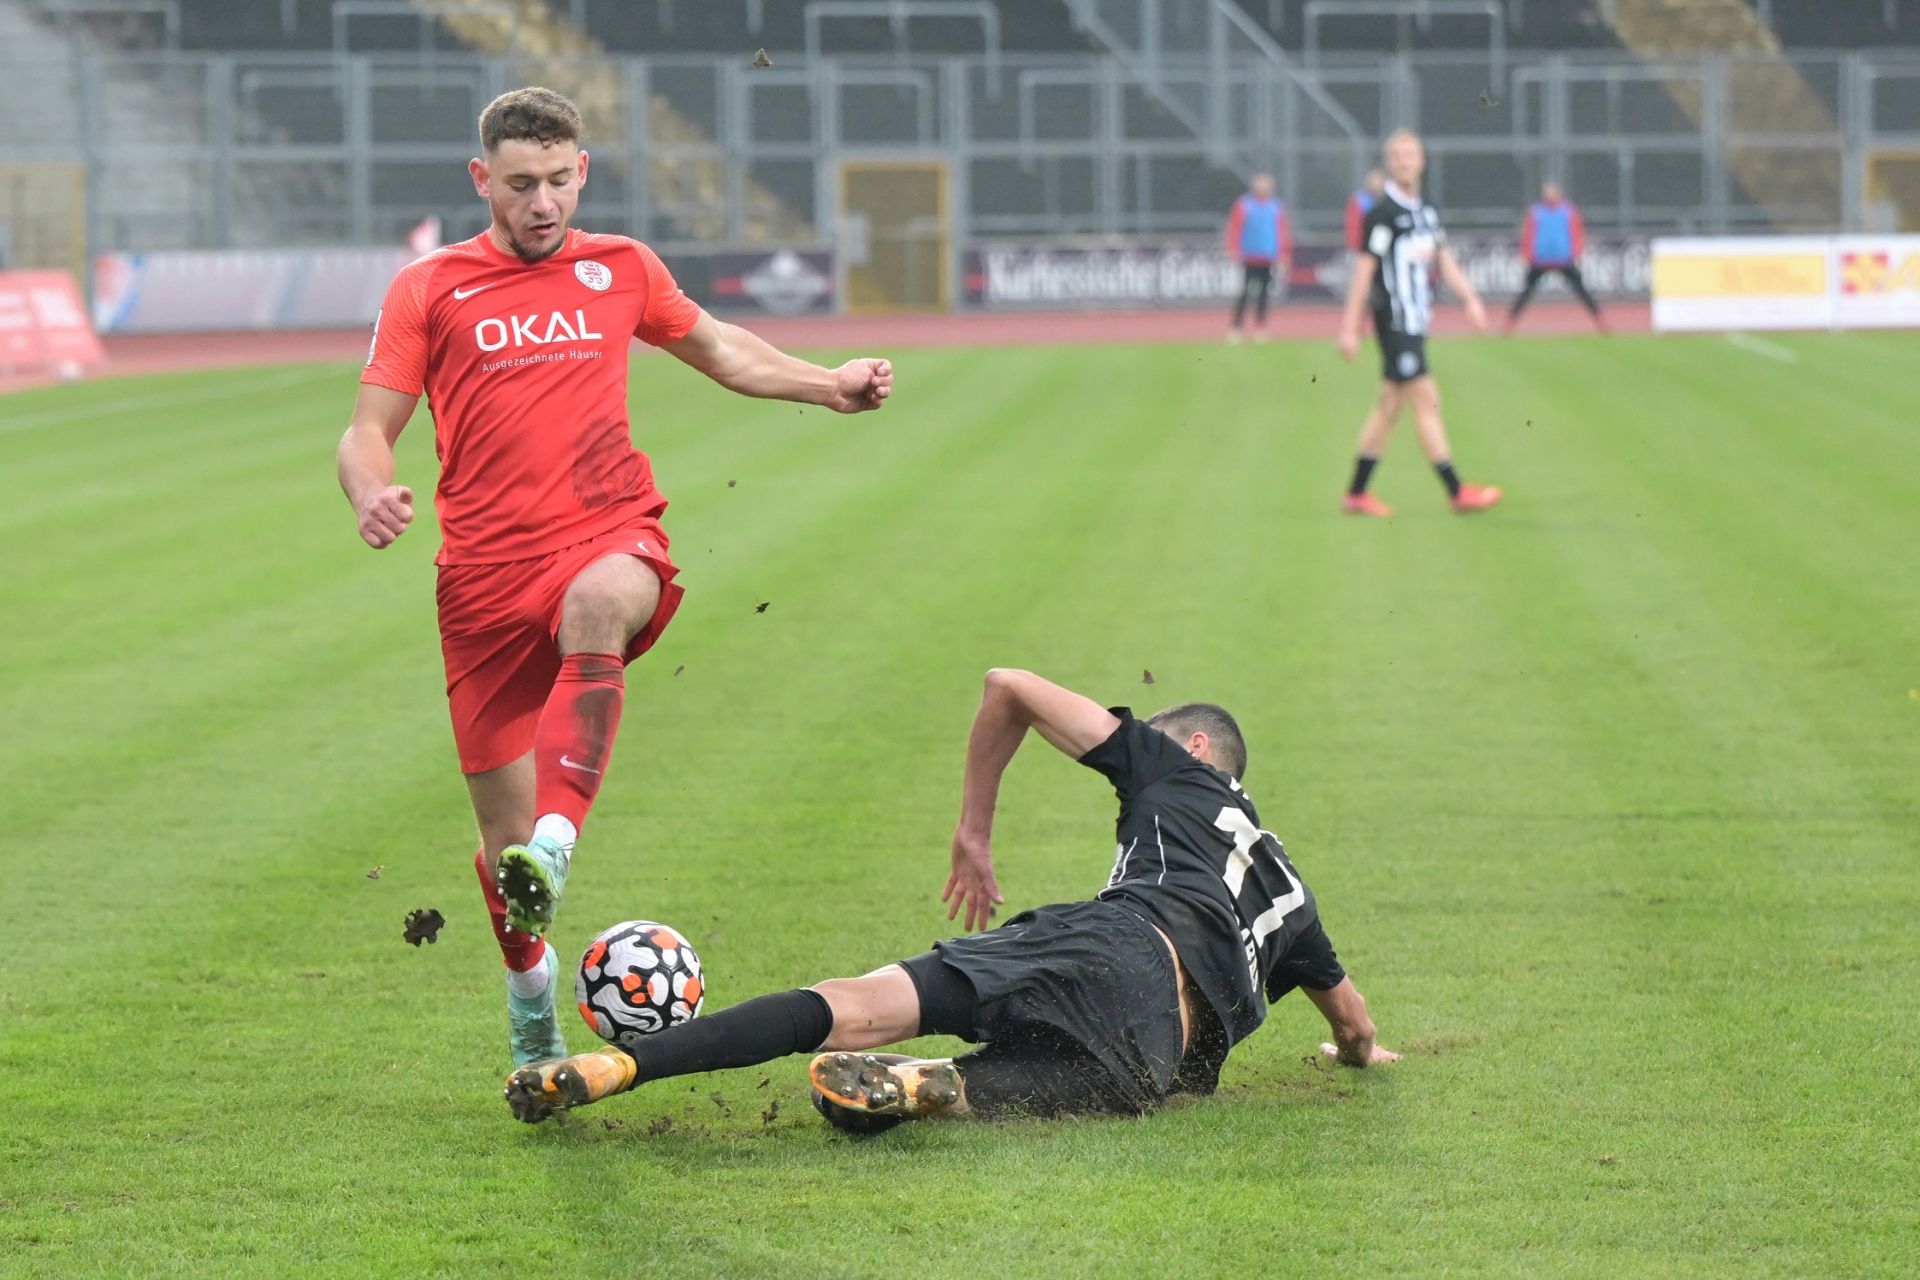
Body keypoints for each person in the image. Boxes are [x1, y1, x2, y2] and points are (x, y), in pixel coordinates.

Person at [337, 86, 894, 1069]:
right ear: (483, 181)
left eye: (558, 179)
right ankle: (529, 992)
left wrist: (830, 385)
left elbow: (723, 351)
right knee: (500, 863)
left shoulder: (621, 266)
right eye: (520, 184)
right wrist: (370, 493)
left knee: (601, 602)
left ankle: (557, 838)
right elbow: (366, 430)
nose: (542, 201)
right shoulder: (432, 287)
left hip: (606, 528)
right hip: (480, 583)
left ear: (582, 170)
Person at [504, 668, 1397, 1129]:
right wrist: (1358, 1056)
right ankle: (925, 1088)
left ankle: (619, 1067)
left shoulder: (1177, 771)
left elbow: (1008, 685)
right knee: (1004, 1089)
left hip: (1116, 939)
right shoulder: (1295, 897)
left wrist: (973, 831)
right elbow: (1355, 1028)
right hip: (1157, 1053)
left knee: (850, 1009)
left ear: (1196, 744)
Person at [1337, 129, 1501, 518]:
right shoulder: (1381, 215)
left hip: (1416, 322)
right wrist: (1349, 327)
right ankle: (1457, 491)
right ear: (1389, 163)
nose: (1404, 160)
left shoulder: (1427, 210)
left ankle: (1357, 493)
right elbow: (1364, 270)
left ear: (1422, 160)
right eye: (1396, 154)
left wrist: (1471, 299)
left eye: (1410, 153)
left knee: (1389, 406)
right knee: (1426, 401)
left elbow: (1443, 259)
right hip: (1395, 323)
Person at [1505, 180, 1605, 333]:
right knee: (1526, 292)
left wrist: (1577, 251)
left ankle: (1600, 321)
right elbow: (1528, 234)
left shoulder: (1568, 211)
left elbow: (1578, 232)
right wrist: (1526, 253)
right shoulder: (1536, 212)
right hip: (1540, 260)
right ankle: (1509, 324)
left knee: (1582, 291)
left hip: (1564, 259)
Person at [1224, 174, 1293, 343]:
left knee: (1264, 294)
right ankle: (1236, 327)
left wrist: (1284, 253)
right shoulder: (1244, 204)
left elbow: (1282, 231)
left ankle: (1260, 327)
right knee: (1245, 292)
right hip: (1249, 255)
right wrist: (1233, 248)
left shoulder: (1275, 207)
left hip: (1268, 255)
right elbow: (1235, 227)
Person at [1344, 169, 1386, 253]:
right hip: (1362, 248)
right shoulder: (1358, 201)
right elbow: (1353, 226)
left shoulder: (1387, 201)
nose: (1375, 185)